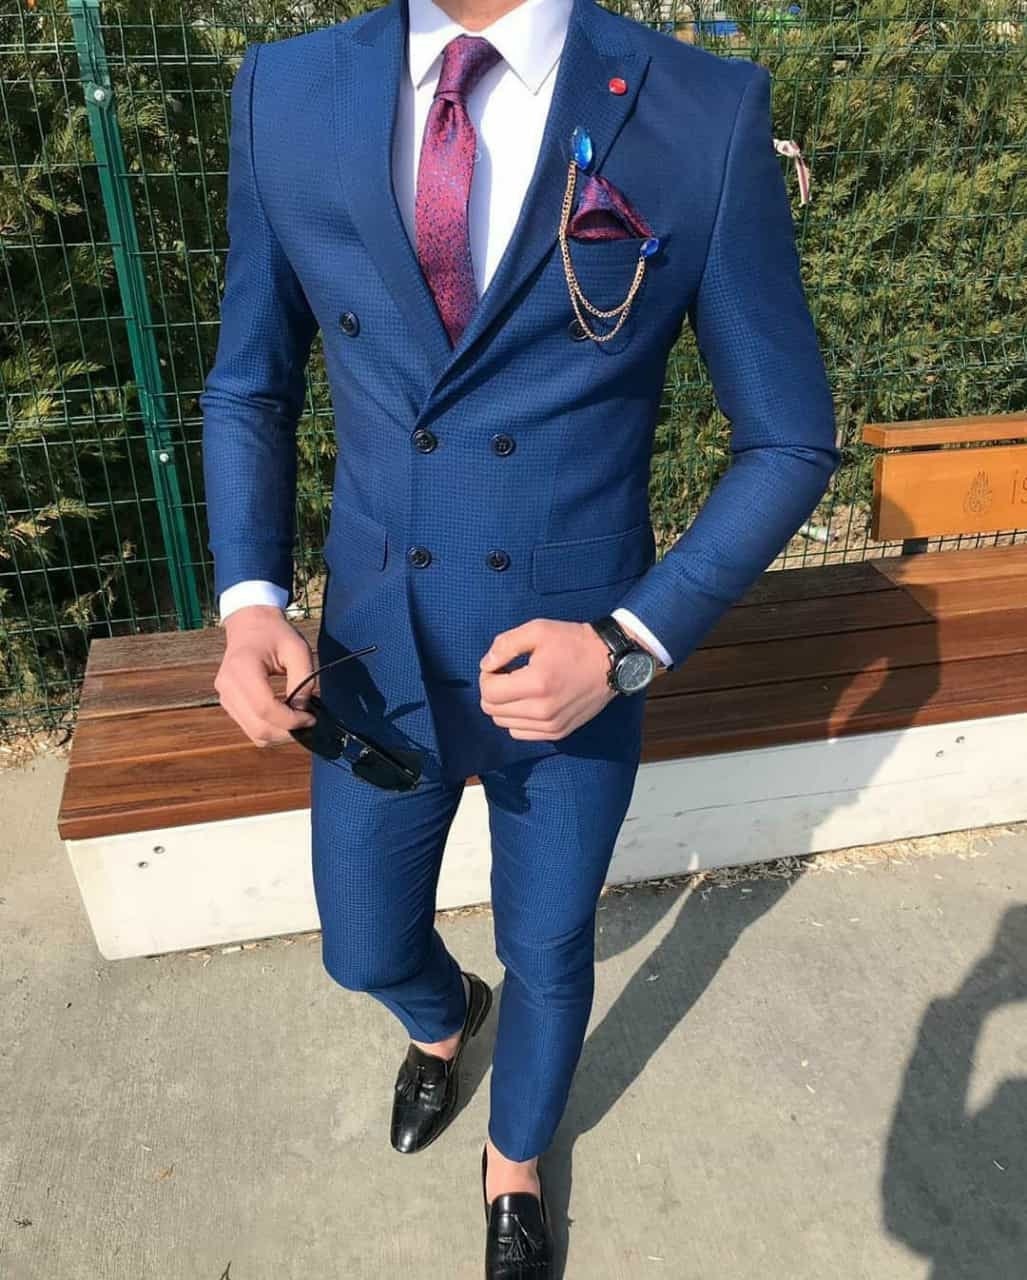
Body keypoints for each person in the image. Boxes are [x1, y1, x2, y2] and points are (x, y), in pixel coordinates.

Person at [200, 0, 840, 1269]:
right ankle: (441, 1015)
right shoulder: (287, 93)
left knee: (548, 947)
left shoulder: (700, 111)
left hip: (576, 664)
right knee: (359, 944)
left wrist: (628, 641)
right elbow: (249, 382)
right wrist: (250, 599)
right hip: (375, 650)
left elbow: (788, 437)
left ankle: (516, 1160)